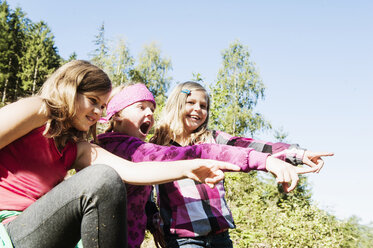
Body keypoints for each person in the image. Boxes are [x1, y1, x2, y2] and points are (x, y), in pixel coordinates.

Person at [0, 61, 241, 248]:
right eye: (93, 101)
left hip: (36, 229)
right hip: (7, 227)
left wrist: (187, 168)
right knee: (101, 178)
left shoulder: (78, 148)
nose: (97, 112)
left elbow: (133, 171)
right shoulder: (39, 109)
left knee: (107, 178)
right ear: (70, 90)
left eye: (102, 106)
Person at [96, 82, 327, 248]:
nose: (198, 109)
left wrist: (296, 154)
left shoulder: (212, 139)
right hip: (184, 237)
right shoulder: (156, 144)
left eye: (204, 106)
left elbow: (251, 146)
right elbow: (144, 191)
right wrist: (155, 220)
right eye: (191, 103)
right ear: (177, 104)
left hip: (220, 235)